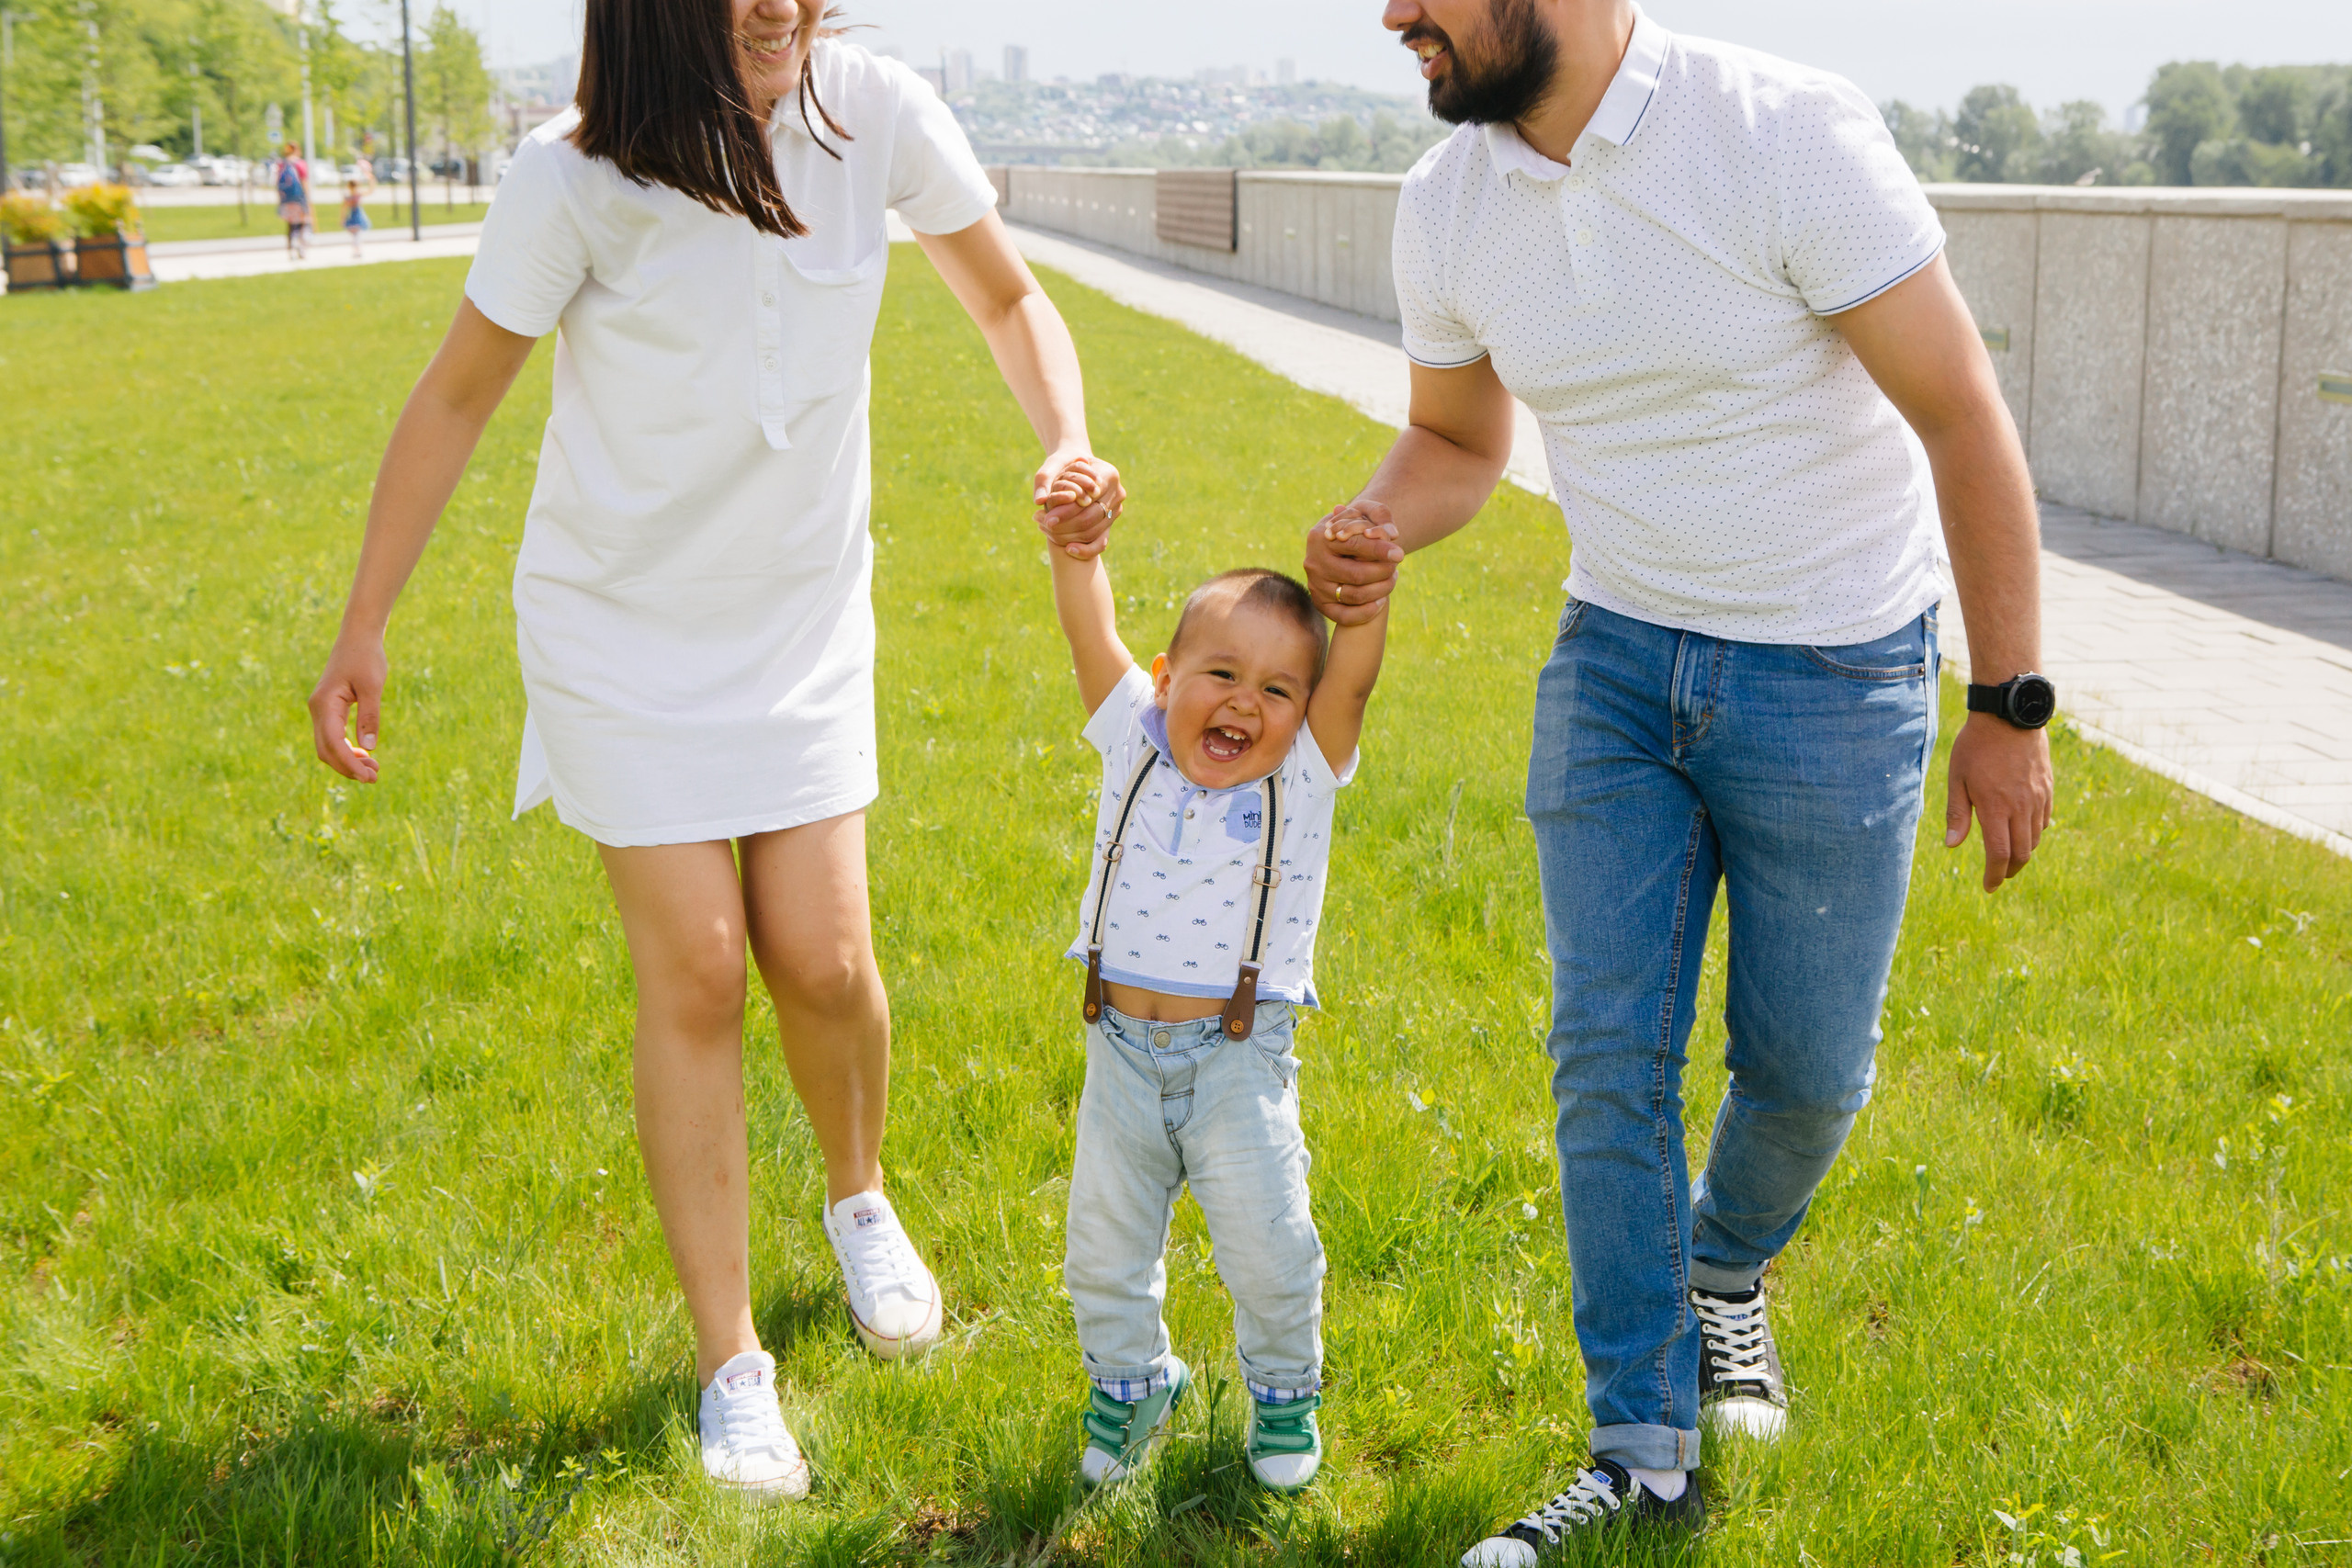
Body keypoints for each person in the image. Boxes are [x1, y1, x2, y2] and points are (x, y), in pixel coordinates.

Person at [305, 0, 1125, 1506]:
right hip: (621, 628)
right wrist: (366, 620)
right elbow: (460, 391)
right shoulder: (575, 173)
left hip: (800, 619)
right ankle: (731, 1360)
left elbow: (1008, 301)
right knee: (693, 966)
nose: (777, 5)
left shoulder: (872, 107)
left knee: (821, 957)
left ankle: (859, 1194)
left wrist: (1063, 432)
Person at [1310, 1, 2055, 1560]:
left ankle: (1728, 1270)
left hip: (1835, 671)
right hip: (1617, 667)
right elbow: (1456, 434)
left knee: (1806, 1072)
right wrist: (1380, 516)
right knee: (1607, 1054)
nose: (1394, 15)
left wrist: (2007, 699)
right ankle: (1641, 1441)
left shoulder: (1783, 131)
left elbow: (1959, 414)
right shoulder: (1447, 201)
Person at [1042, 476, 1389, 1495]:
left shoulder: (1301, 776)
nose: (1245, 701)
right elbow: (1084, 623)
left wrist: (1366, 593)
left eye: (1279, 691)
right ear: (1162, 678)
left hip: (1238, 1057)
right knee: (1101, 1249)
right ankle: (1133, 1380)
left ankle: (1283, 1392)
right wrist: (1076, 546)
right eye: (1221, 674)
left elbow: (1354, 682)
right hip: (1118, 1052)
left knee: (1269, 1245)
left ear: (1304, 715)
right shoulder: (1129, 742)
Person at [274, 143, 310, 260]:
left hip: (286, 199)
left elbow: (277, 183)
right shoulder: (300, 164)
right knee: (301, 223)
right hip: (299, 198)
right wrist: (307, 197)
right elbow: (304, 181)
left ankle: (291, 249)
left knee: (290, 224)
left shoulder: (282, 164)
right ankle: (301, 247)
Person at [341, 174, 372, 257]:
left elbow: (343, 208)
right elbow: (344, 208)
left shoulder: (354, 195)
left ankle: (357, 251)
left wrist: (371, 180)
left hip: (356, 216)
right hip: (354, 216)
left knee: (357, 236)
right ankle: (357, 251)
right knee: (356, 236)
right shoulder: (352, 196)